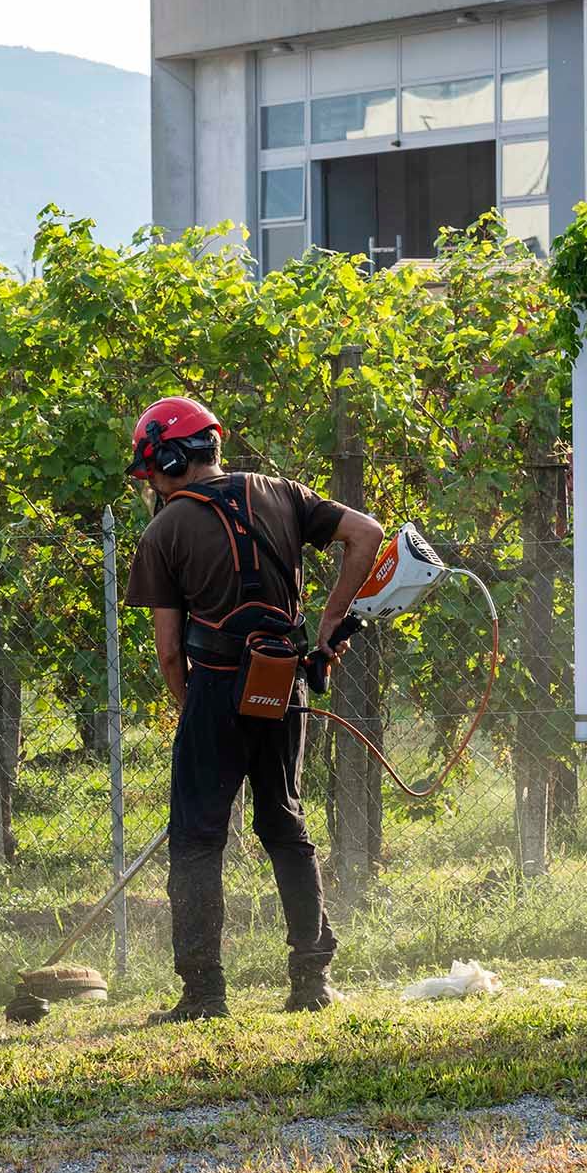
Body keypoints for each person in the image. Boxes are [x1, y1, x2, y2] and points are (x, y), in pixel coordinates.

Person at [124, 396, 384, 1020]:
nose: (153, 486)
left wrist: (194, 712)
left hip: (214, 686)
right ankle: (311, 980)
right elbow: (366, 534)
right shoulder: (282, 492)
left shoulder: (163, 532)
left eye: (153, 472)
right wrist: (326, 623)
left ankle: (205, 993)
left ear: (171, 457)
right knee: (283, 822)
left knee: (195, 838)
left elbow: (167, 653)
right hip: (282, 679)